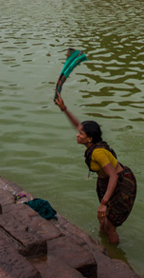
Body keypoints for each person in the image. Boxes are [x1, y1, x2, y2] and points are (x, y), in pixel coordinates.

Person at [54, 92, 136, 244]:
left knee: (110, 226)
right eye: (79, 132)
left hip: (122, 184)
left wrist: (103, 203)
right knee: (103, 221)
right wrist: (64, 109)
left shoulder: (98, 153)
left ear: (89, 138)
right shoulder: (93, 143)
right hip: (106, 182)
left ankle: (114, 258)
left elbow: (114, 176)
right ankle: (101, 244)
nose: (77, 135)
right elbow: (77, 124)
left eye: (81, 133)